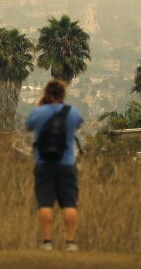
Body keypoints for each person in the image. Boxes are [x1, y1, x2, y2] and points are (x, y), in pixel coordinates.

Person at [25, 79, 84, 252]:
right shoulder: (72, 112)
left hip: (44, 165)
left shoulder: (39, 112)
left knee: (45, 204)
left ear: (46, 94)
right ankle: (71, 242)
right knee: (69, 205)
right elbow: (79, 124)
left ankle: (47, 242)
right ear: (63, 94)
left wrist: (41, 105)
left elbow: (28, 127)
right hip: (67, 164)